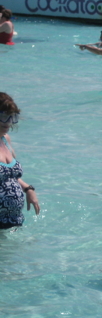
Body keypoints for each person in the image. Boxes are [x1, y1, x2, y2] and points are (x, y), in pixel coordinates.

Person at [0, 92, 40, 228]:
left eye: (12, 117)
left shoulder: (5, 140)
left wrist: (28, 189)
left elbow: (9, 176)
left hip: (14, 221)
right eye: (4, 116)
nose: (9, 122)